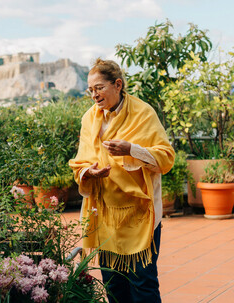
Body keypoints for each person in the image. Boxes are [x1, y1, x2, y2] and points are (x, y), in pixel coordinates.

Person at [69, 58, 175, 303]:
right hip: (105, 214)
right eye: (90, 90)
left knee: (143, 283)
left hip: (139, 214)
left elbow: (165, 158)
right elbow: (81, 161)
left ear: (117, 84)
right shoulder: (89, 118)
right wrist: (89, 173)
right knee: (114, 284)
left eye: (99, 88)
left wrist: (131, 149)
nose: (94, 95)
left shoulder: (143, 113)